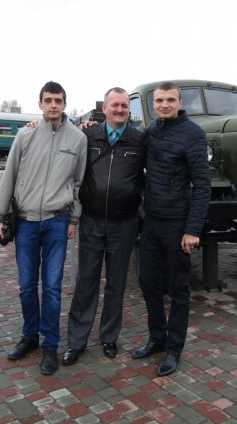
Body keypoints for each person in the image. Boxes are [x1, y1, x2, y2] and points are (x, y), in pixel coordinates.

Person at [0, 81, 87, 375]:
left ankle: (50, 344)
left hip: (58, 220)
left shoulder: (77, 139)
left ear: (65, 104)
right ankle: (29, 336)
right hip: (26, 222)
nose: (54, 105)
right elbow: (10, 174)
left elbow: (79, 184)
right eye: (48, 100)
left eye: (58, 100)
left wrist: (74, 219)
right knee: (26, 285)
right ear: (40, 103)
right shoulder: (25, 135)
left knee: (53, 286)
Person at [62, 87, 147, 365]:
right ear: (105, 108)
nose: (120, 110)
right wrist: (34, 124)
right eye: (115, 105)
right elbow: (61, 137)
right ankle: (77, 341)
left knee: (116, 284)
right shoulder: (87, 136)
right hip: (92, 222)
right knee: (86, 282)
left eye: (124, 106)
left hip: (124, 224)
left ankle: (109, 337)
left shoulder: (139, 140)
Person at [131, 81, 211, 377]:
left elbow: (202, 187)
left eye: (170, 100)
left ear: (180, 102)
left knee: (178, 289)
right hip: (151, 222)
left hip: (178, 225)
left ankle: (174, 349)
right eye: (160, 100)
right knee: (148, 282)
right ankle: (157, 337)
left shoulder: (193, 135)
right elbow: (125, 138)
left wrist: (192, 230)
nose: (164, 105)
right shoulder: (151, 133)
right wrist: (88, 126)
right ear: (153, 104)